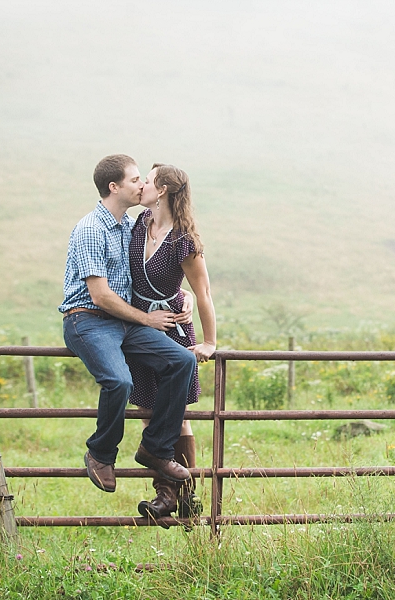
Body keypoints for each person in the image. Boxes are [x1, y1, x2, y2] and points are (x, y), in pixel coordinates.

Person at [59, 154, 197, 495]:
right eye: (136, 180)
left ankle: (155, 449)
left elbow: (156, 268)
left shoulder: (131, 224)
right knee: (119, 381)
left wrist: (183, 295)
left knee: (182, 360)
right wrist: (148, 319)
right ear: (114, 187)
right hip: (87, 319)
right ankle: (101, 453)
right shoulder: (91, 229)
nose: (142, 185)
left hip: (125, 321)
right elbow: (101, 295)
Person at [128, 163, 217, 522]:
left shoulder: (184, 240)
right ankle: (166, 495)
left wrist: (210, 342)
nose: (142, 187)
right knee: (150, 414)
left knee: (177, 417)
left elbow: (204, 292)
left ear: (162, 189)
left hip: (174, 335)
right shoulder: (138, 225)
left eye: (147, 181)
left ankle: (178, 496)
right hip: (139, 330)